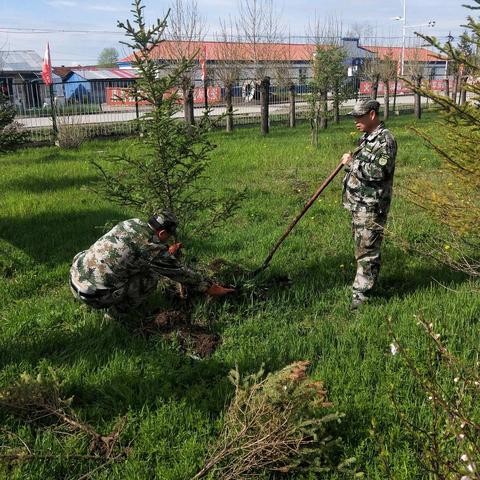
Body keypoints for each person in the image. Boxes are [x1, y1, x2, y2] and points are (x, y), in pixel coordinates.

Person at [70, 210, 234, 320]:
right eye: (168, 236)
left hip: (75, 277)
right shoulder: (151, 248)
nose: (169, 239)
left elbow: (133, 252)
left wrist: (166, 253)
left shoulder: (131, 223)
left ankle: (95, 293)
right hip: (96, 297)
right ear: (162, 233)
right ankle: (115, 316)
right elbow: (179, 273)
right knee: (150, 277)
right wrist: (209, 287)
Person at [341, 99, 397, 309]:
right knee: (362, 246)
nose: (355, 121)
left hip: (372, 205)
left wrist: (352, 163)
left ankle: (361, 295)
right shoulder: (367, 138)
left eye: (359, 116)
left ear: (372, 114)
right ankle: (363, 286)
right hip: (360, 204)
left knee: (367, 249)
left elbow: (379, 171)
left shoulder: (385, 140)